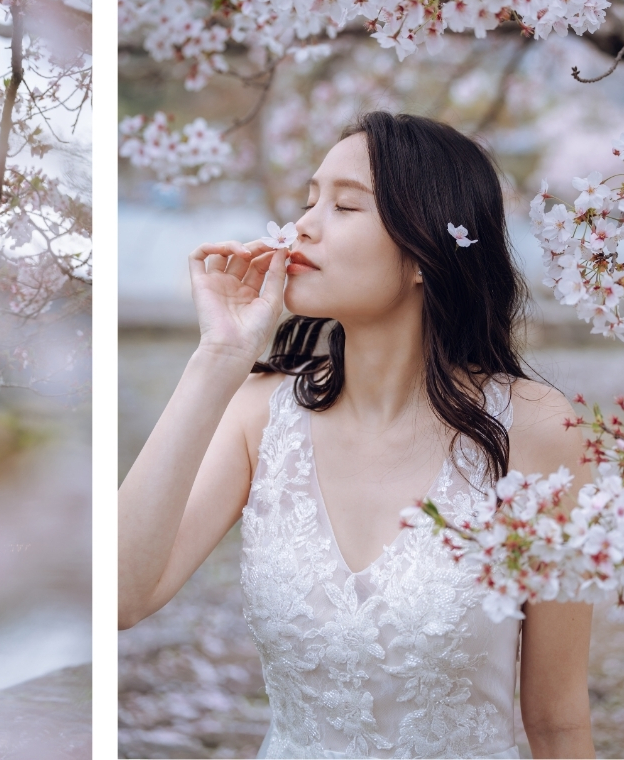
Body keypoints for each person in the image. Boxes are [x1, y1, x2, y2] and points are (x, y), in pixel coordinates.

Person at [119, 112, 595, 759]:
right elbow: (122, 596)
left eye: (345, 205)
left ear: (427, 250)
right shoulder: (260, 414)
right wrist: (218, 358)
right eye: (308, 200)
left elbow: (558, 722)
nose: (302, 227)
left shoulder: (540, 434)